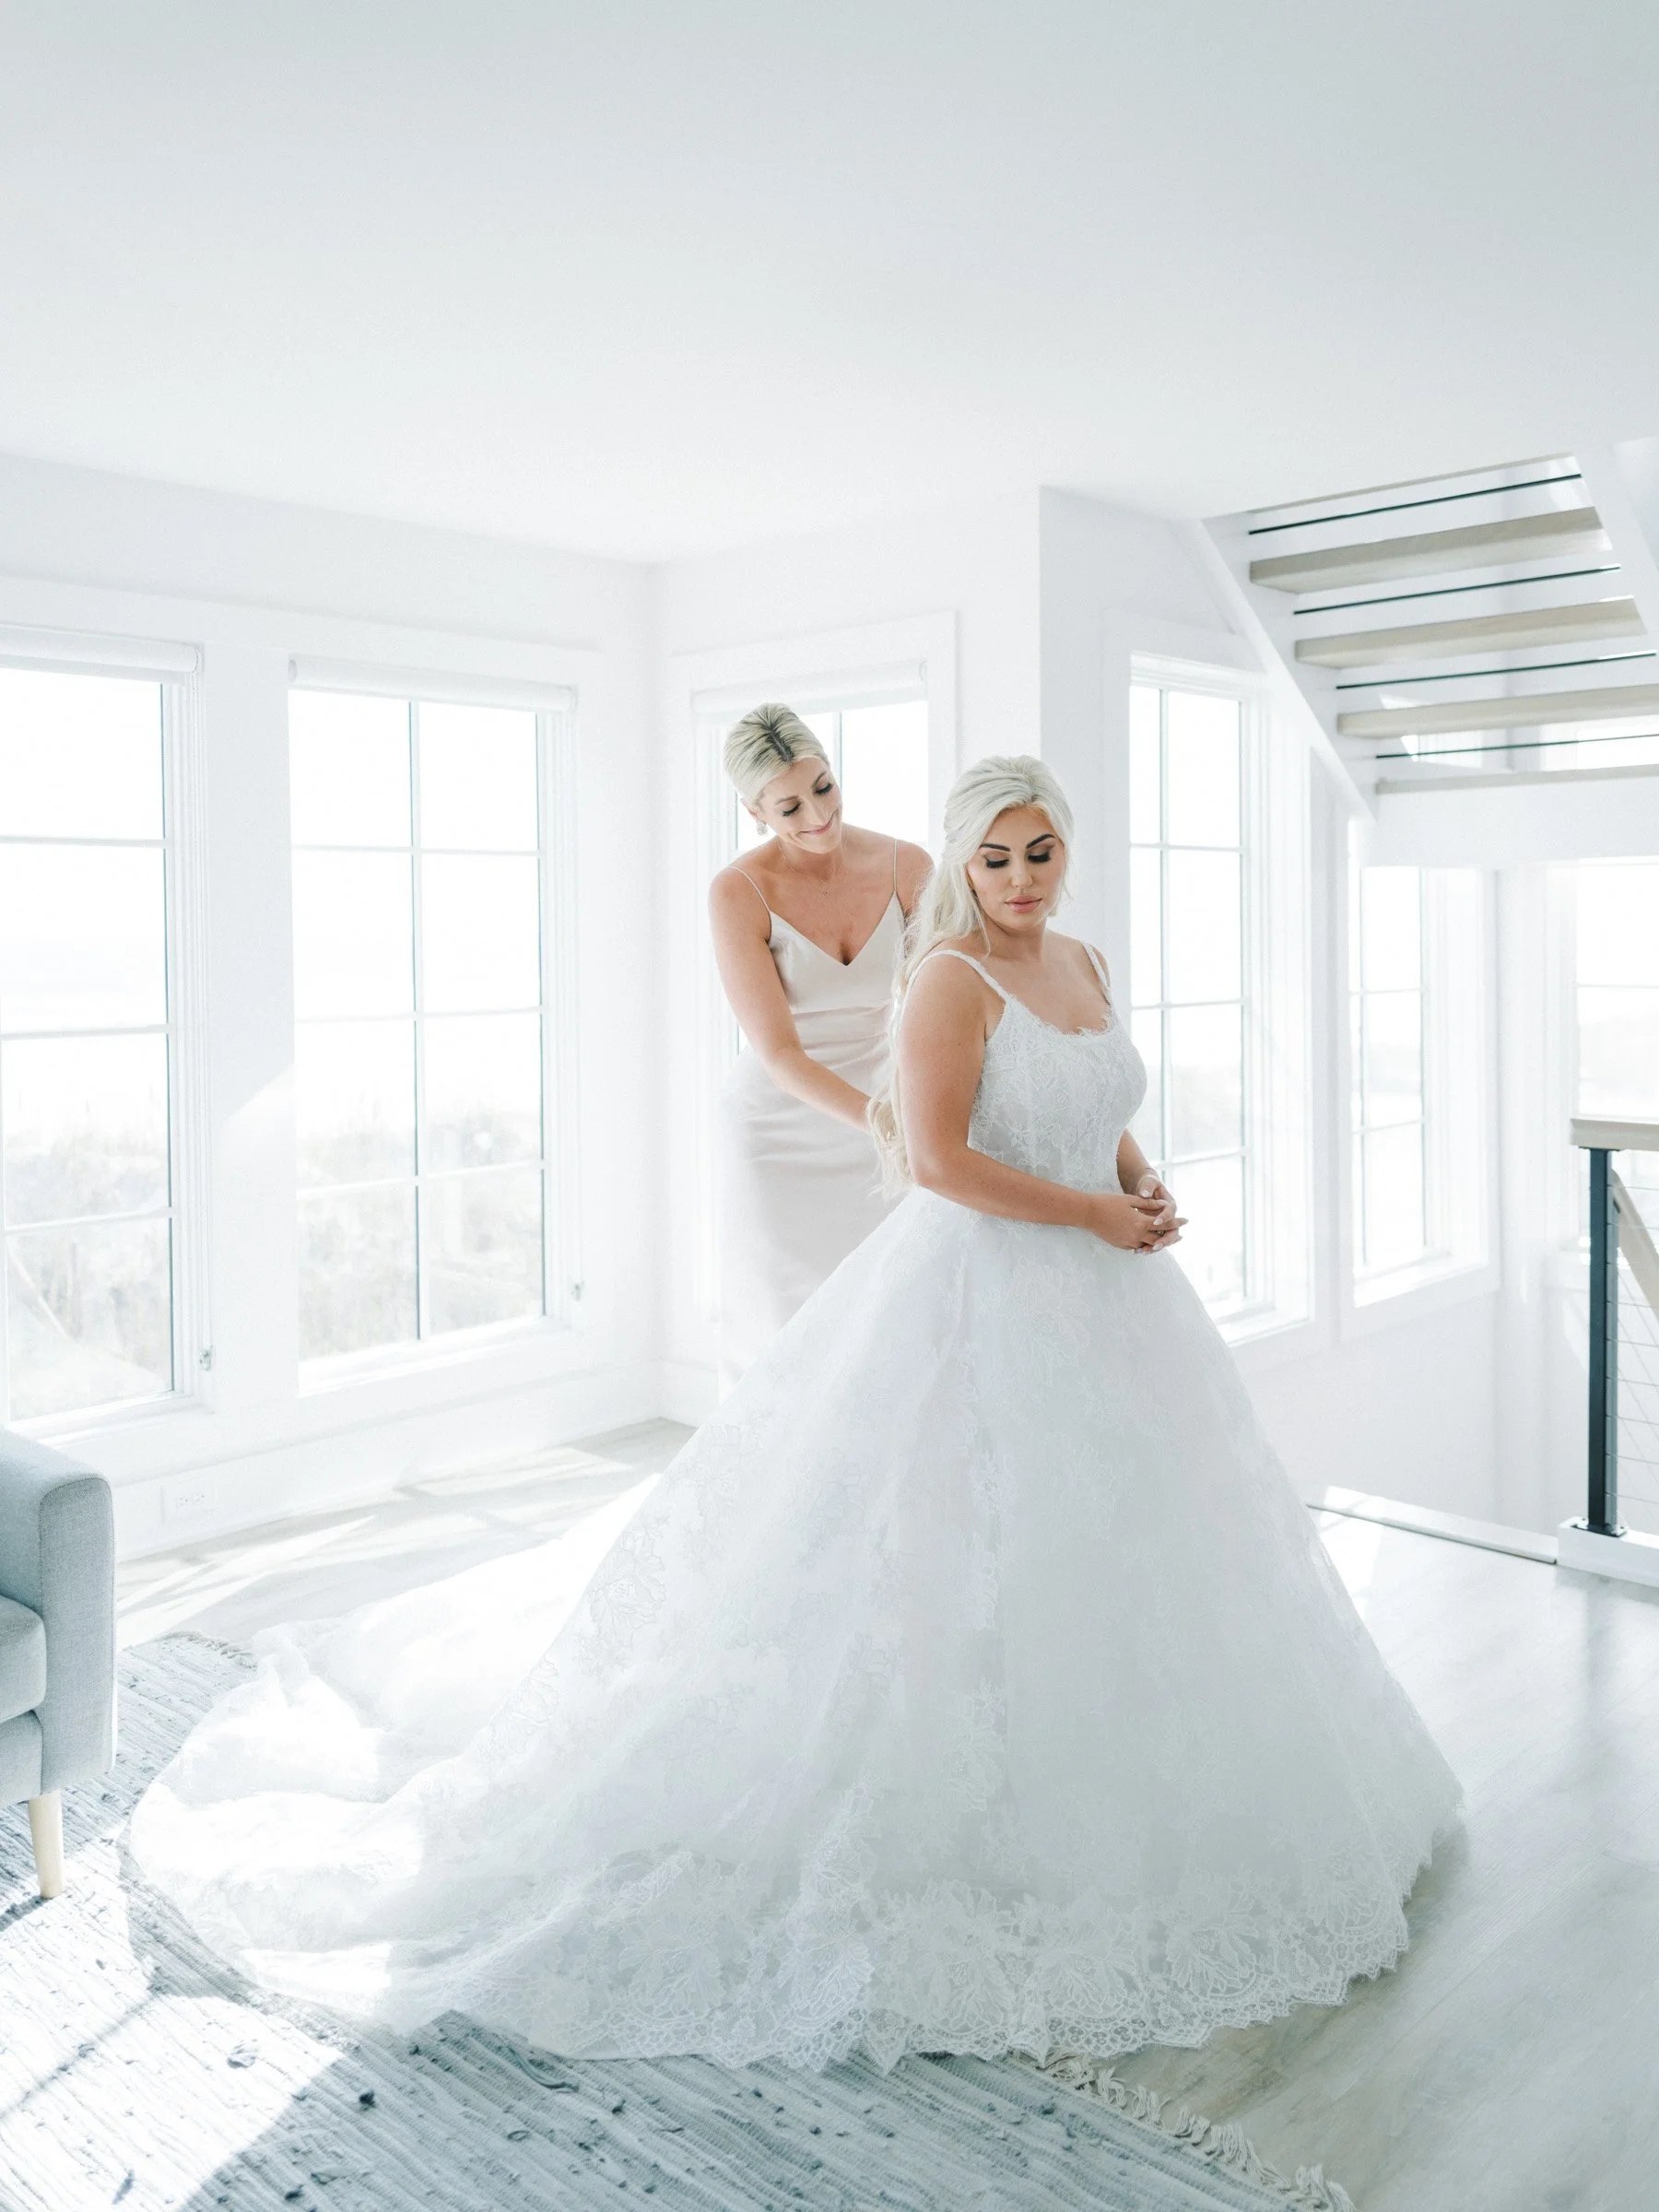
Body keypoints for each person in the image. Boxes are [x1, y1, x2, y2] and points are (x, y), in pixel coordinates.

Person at [132, 755, 1459, 2075]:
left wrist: (1144, 1184)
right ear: (960, 864)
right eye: (993, 859)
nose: (1016, 880)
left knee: (1135, 1561)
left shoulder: (1088, 966)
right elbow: (940, 1162)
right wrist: (1095, 1216)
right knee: (952, 1556)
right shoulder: (950, 979)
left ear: (1067, 851)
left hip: (1119, 1303)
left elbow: (1097, 1110)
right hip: (989, 1289)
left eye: (1038, 852)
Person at [710, 702, 931, 1383]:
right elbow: (779, 1054)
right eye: (788, 808)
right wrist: (882, 1120)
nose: (816, 817)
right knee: (781, 1339)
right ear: (755, 812)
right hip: (778, 1132)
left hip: (884, 1112)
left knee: (885, 1322)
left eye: (823, 788)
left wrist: (916, 1114)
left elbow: (936, 1004)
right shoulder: (738, 891)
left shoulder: (908, 866)